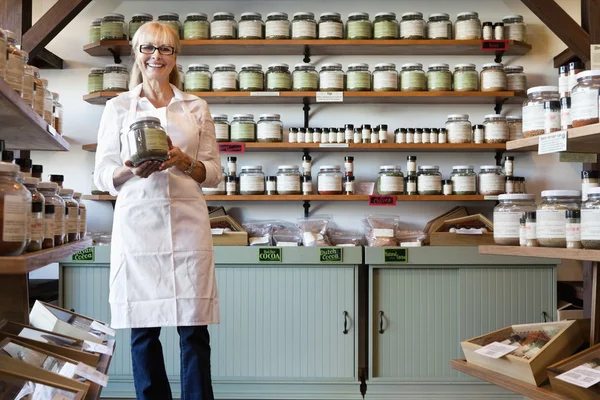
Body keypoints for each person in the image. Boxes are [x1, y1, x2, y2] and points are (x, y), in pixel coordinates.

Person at [94, 21, 220, 400]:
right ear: (136, 53)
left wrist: (184, 161)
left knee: (193, 330)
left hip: (188, 225)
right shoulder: (118, 107)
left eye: (165, 49)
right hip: (139, 226)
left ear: (175, 57)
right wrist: (128, 170)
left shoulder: (196, 107)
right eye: (148, 48)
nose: (156, 56)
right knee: (143, 329)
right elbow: (101, 174)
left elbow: (212, 172)